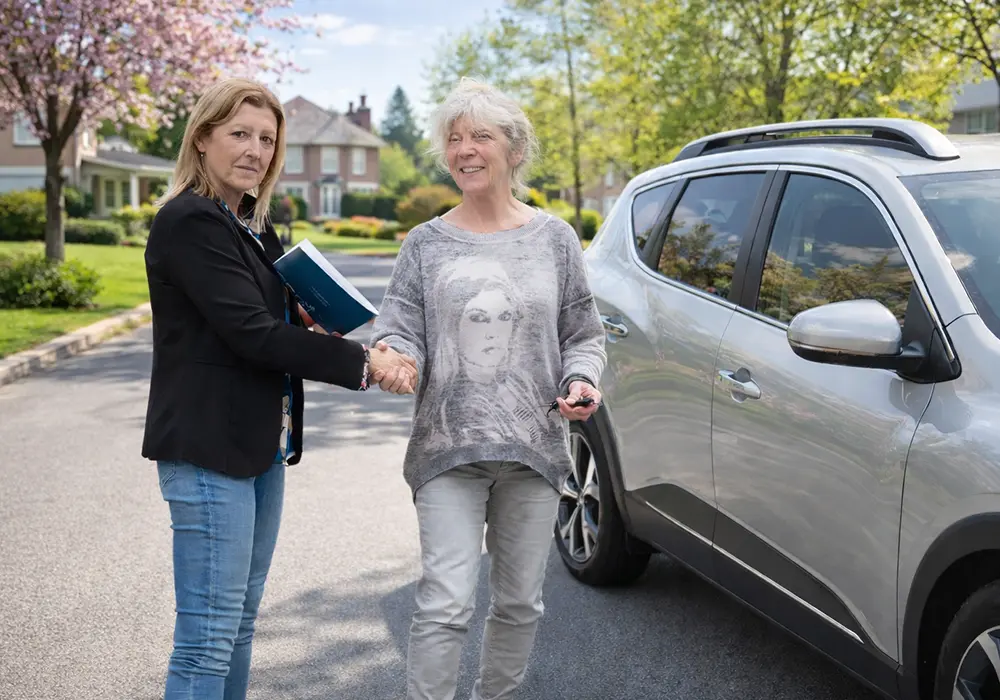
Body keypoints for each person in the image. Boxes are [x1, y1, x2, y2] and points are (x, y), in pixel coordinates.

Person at [141, 77, 416, 700]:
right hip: (209, 450)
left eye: (267, 138)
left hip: (260, 444)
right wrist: (364, 362)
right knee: (208, 638)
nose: (255, 150)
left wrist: (308, 315)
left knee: (237, 626)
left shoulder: (249, 225)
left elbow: (268, 320)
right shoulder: (188, 221)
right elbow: (251, 335)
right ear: (203, 138)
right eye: (239, 134)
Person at [370, 77, 607, 700]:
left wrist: (581, 378)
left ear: (514, 150)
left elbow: (583, 332)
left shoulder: (554, 238)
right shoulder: (425, 243)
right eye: (454, 139)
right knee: (446, 603)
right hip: (449, 451)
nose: (464, 149)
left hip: (533, 451)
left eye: (481, 136)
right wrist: (397, 359)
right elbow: (400, 329)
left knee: (521, 604)